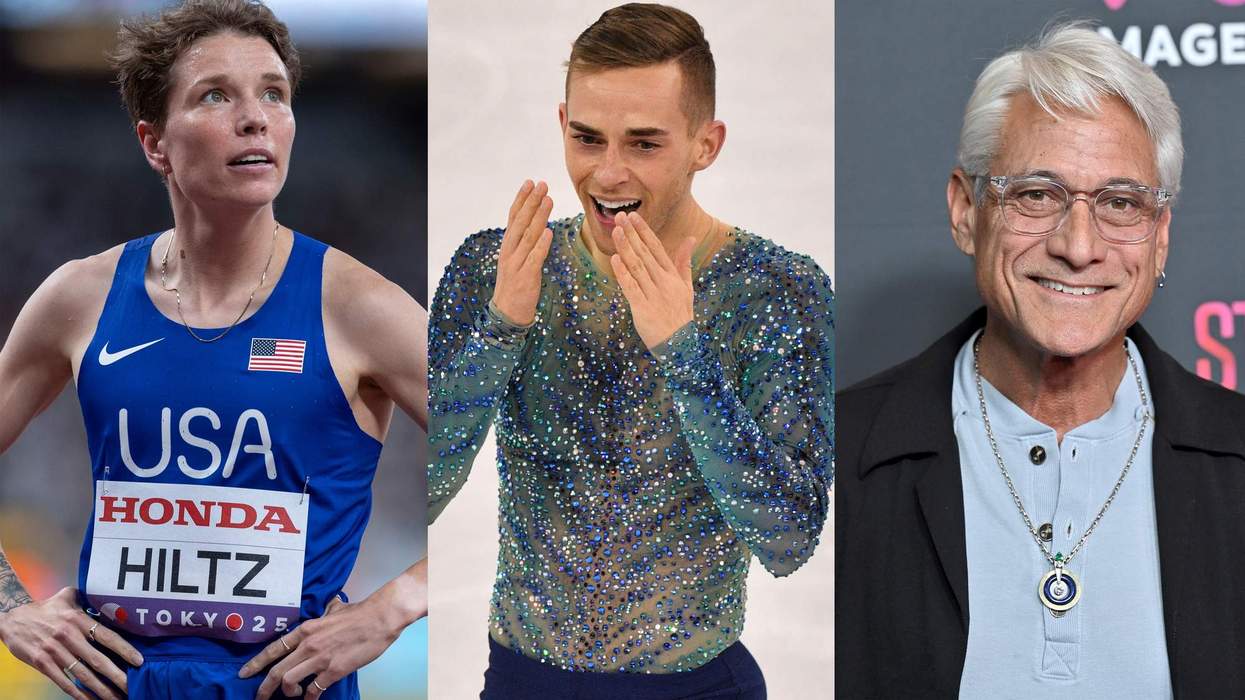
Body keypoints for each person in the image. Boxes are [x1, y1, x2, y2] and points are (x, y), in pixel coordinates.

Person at [0, 1, 428, 698]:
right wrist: (12, 610)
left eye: (273, 94)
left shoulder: (360, 307)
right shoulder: (78, 297)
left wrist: (392, 608)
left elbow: (531, 473)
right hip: (120, 684)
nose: (255, 117)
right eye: (215, 95)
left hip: (278, 685)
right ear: (155, 143)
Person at [428, 4, 834, 698]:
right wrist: (498, 332)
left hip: (695, 684)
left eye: (643, 144)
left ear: (706, 143)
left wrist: (684, 355)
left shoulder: (775, 292)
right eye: (588, 138)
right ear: (561, 125)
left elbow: (789, 538)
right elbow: (418, 492)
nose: (608, 174)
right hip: (524, 679)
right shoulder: (493, 269)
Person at [836, 22, 1245, 699]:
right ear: (966, 210)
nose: (1078, 246)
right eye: (1035, 194)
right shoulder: (836, 458)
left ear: (1159, 236)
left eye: (1119, 203)